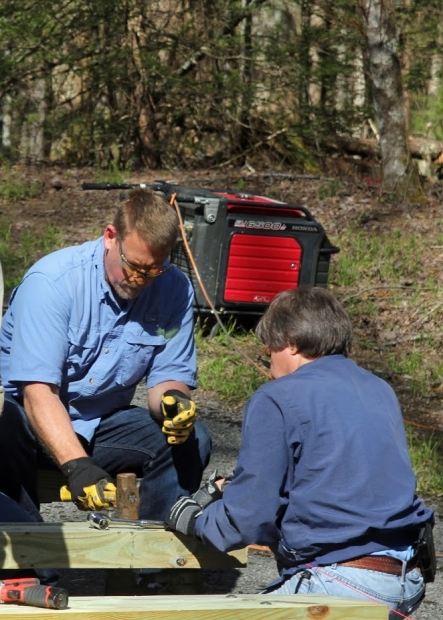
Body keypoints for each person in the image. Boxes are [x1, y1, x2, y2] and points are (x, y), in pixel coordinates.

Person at [166, 286, 434, 619]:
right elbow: (333, 485)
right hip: (406, 575)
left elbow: (247, 519)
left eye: (269, 348)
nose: (268, 356)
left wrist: (198, 521)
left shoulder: (277, 398)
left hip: (343, 581)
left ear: (290, 341)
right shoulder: (378, 389)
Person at [0, 188, 211, 521]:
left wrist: (174, 402)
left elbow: (167, 377)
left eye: (153, 270)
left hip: (97, 425)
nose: (140, 280)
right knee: (4, 423)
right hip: (26, 426)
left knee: (193, 438)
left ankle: (154, 562)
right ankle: (29, 567)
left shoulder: (174, 288)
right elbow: (37, 395)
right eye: (134, 266)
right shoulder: (53, 283)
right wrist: (78, 466)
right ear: (110, 237)